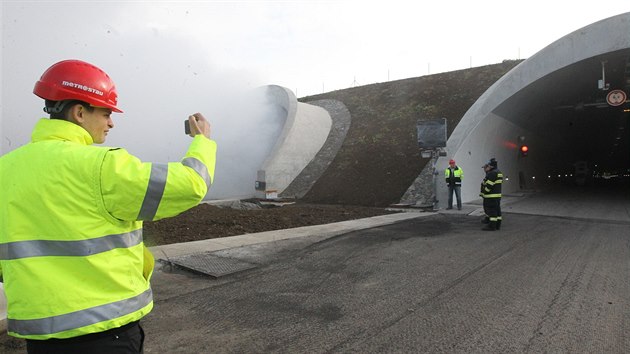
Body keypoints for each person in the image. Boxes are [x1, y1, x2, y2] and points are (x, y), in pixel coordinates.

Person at [0, 59, 217, 353]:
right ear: (79, 112)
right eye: (105, 113)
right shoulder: (102, 166)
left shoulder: (6, 169)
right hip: (105, 334)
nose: (111, 122)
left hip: (40, 339)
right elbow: (191, 183)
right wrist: (202, 141)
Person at [480, 158, 503, 231]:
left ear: (491, 166)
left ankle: (492, 226)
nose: (487, 167)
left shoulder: (492, 173)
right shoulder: (498, 172)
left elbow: (489, 185)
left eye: (488, 166)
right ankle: (497, 225)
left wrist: (485, 191)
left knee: (492, 211)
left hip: (491, 196)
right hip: (497, 195)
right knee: (497, 211)